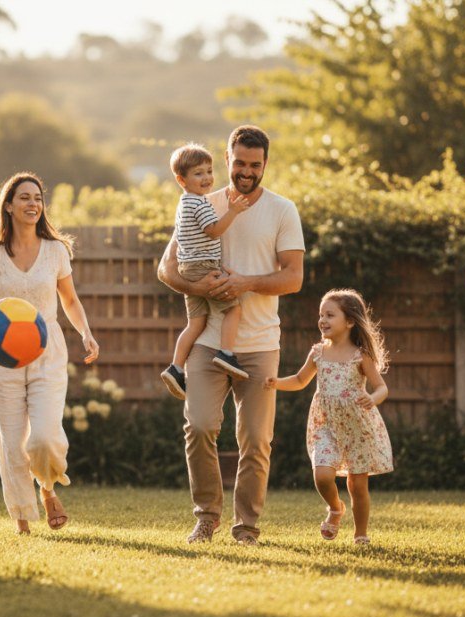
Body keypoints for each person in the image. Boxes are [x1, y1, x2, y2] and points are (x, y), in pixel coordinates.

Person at [157, 125, 305, 545]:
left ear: (265, 165)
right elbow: (167, 268)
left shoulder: (281, 210)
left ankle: (246, 527)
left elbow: (293, 278)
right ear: (226, 159)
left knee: (256, 440)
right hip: (208, 342)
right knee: (200, 425)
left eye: (255, 165)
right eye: (239, 163)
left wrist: (245, 283)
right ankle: (206, 516)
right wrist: (199, 288)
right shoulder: (201, 202)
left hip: (259, 345)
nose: (246, 171)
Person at [0, 172, 100, 535]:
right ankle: (23, 521)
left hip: (47, 352)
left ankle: (47, 488)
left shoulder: (56, 250)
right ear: (8, 206)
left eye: (38, 198)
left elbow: (69, 300)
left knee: (43, 436)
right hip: (2, 357)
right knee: (11, 442)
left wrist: (86, 333)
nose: (33, 204)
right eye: (24, 198)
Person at [264, 288, 393, 545]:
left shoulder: (360, 355)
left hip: (358, 426)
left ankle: (360, 535)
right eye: (321, 314)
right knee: (322, 474)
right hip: (326, 424)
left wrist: (373, 398)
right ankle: (335, 508)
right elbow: (300, 380)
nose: (322, 320)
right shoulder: (318, 353)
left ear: (349, 321)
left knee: (357, 485)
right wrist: (275, 383)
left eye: (330, 315)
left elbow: (382, 388)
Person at [160, 143, 250, 400]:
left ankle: (176, 368)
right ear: (181, 179)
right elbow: (213, 230)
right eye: (198, 173)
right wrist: (232, 211)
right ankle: (226, 353)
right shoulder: (199, 203)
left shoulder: (184, 203)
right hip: (203, 267)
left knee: (196, 322)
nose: (207, 178)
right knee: (233, 308)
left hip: (187, 268)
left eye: (209, 171)